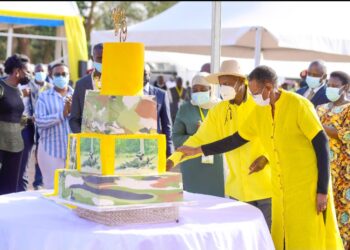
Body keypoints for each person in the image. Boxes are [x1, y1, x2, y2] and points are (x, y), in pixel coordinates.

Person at [177, 65, 343, 250]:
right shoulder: (259, 111)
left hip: (307, 187)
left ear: (269, 87)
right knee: (280, 239)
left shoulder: (299, 104)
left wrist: (321, 190)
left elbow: (321, 144)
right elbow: (235, 140)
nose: (253, 97)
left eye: (256, 92)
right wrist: (199, 150)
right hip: (281, 188)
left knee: (309, 237)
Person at [167, 60, 272, 229]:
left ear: (241, 81)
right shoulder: (219, 110)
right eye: (222, 84)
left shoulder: (259, 105)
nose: (224, 88)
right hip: (237, 190)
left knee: (269, 240)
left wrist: (266, 158)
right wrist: (173, 159)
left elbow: (276, 137)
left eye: (228, 83)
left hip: (266, 187)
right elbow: (199, 139)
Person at [171, 72, 225, 197]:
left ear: (211, 89)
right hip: (192, 165)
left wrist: (209, 135)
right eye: (195, 90)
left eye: (202, 89)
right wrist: (197, 136)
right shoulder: (185, 109)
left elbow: (230, 134)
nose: (198, 92)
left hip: (217, 165)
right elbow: (176, 138)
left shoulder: (221, 107)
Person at [317, 71, 350, 249]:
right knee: (324, 213)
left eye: (335, 86)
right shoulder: (320, 108)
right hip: (323, 169)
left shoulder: (349, 109)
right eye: (329, 85)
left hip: (344, 172)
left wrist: (320, 126)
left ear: (345, 87)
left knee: (343, 215)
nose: (330, 88)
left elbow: (346, 135)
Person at [35, 63, 73, 189]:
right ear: (51, 76)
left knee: (72, 187)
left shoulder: (77, 95)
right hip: (50, 150)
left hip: (73, 150)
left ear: (69, 76)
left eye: (64, 74)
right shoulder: (44, 97)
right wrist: (62, 114)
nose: (61, 77)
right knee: (52, 187)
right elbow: (39, 121)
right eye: (57, 74)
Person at [0, 54, 31, 195]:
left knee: (10, 187)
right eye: (27, 71)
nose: (30, 75)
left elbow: (14, 116)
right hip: (1, 144)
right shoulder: (1, 86)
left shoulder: (19, 91)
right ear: (17, 71)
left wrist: (30, 119)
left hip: (15, 146)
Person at [69, 43, 103, 133]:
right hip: (88, 141)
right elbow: (74, 119)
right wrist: (84, 139)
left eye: (107, 58)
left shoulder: (117, 83)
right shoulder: (81, 85)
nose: (103, 61)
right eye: (100, 58)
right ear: (92, 58)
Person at [144, 64, 174, 157]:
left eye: (144, 74)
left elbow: (167, 124)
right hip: (132, 144)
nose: (141, 77)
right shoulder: (128, 94)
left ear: (149, 74)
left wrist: (169, 150)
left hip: (153, 145)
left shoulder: (161, 94)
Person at [30, 64, 52, 190]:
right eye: (37, 71)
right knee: (31, 154)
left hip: (45, 125)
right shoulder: (29, 86)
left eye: (42, 71)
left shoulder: (51, 88)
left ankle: (39, 182)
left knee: (41, 153)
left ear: (46, 72)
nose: (40, 73)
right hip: (31, 126)